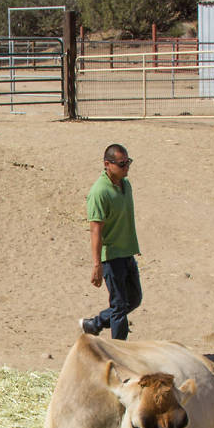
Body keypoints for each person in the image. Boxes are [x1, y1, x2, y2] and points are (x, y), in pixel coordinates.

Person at [80, 143, 142, 340]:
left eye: (128, 162)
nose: (126, 167)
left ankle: (94, 324)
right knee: (119, 307)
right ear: (107, 164)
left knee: (133, 299)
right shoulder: (99, 193)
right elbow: (96, 230)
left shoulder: (126, 185)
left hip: (127, 252)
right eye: (122, 164)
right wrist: (97, 265)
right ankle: (118, 353)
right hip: (112, 256)